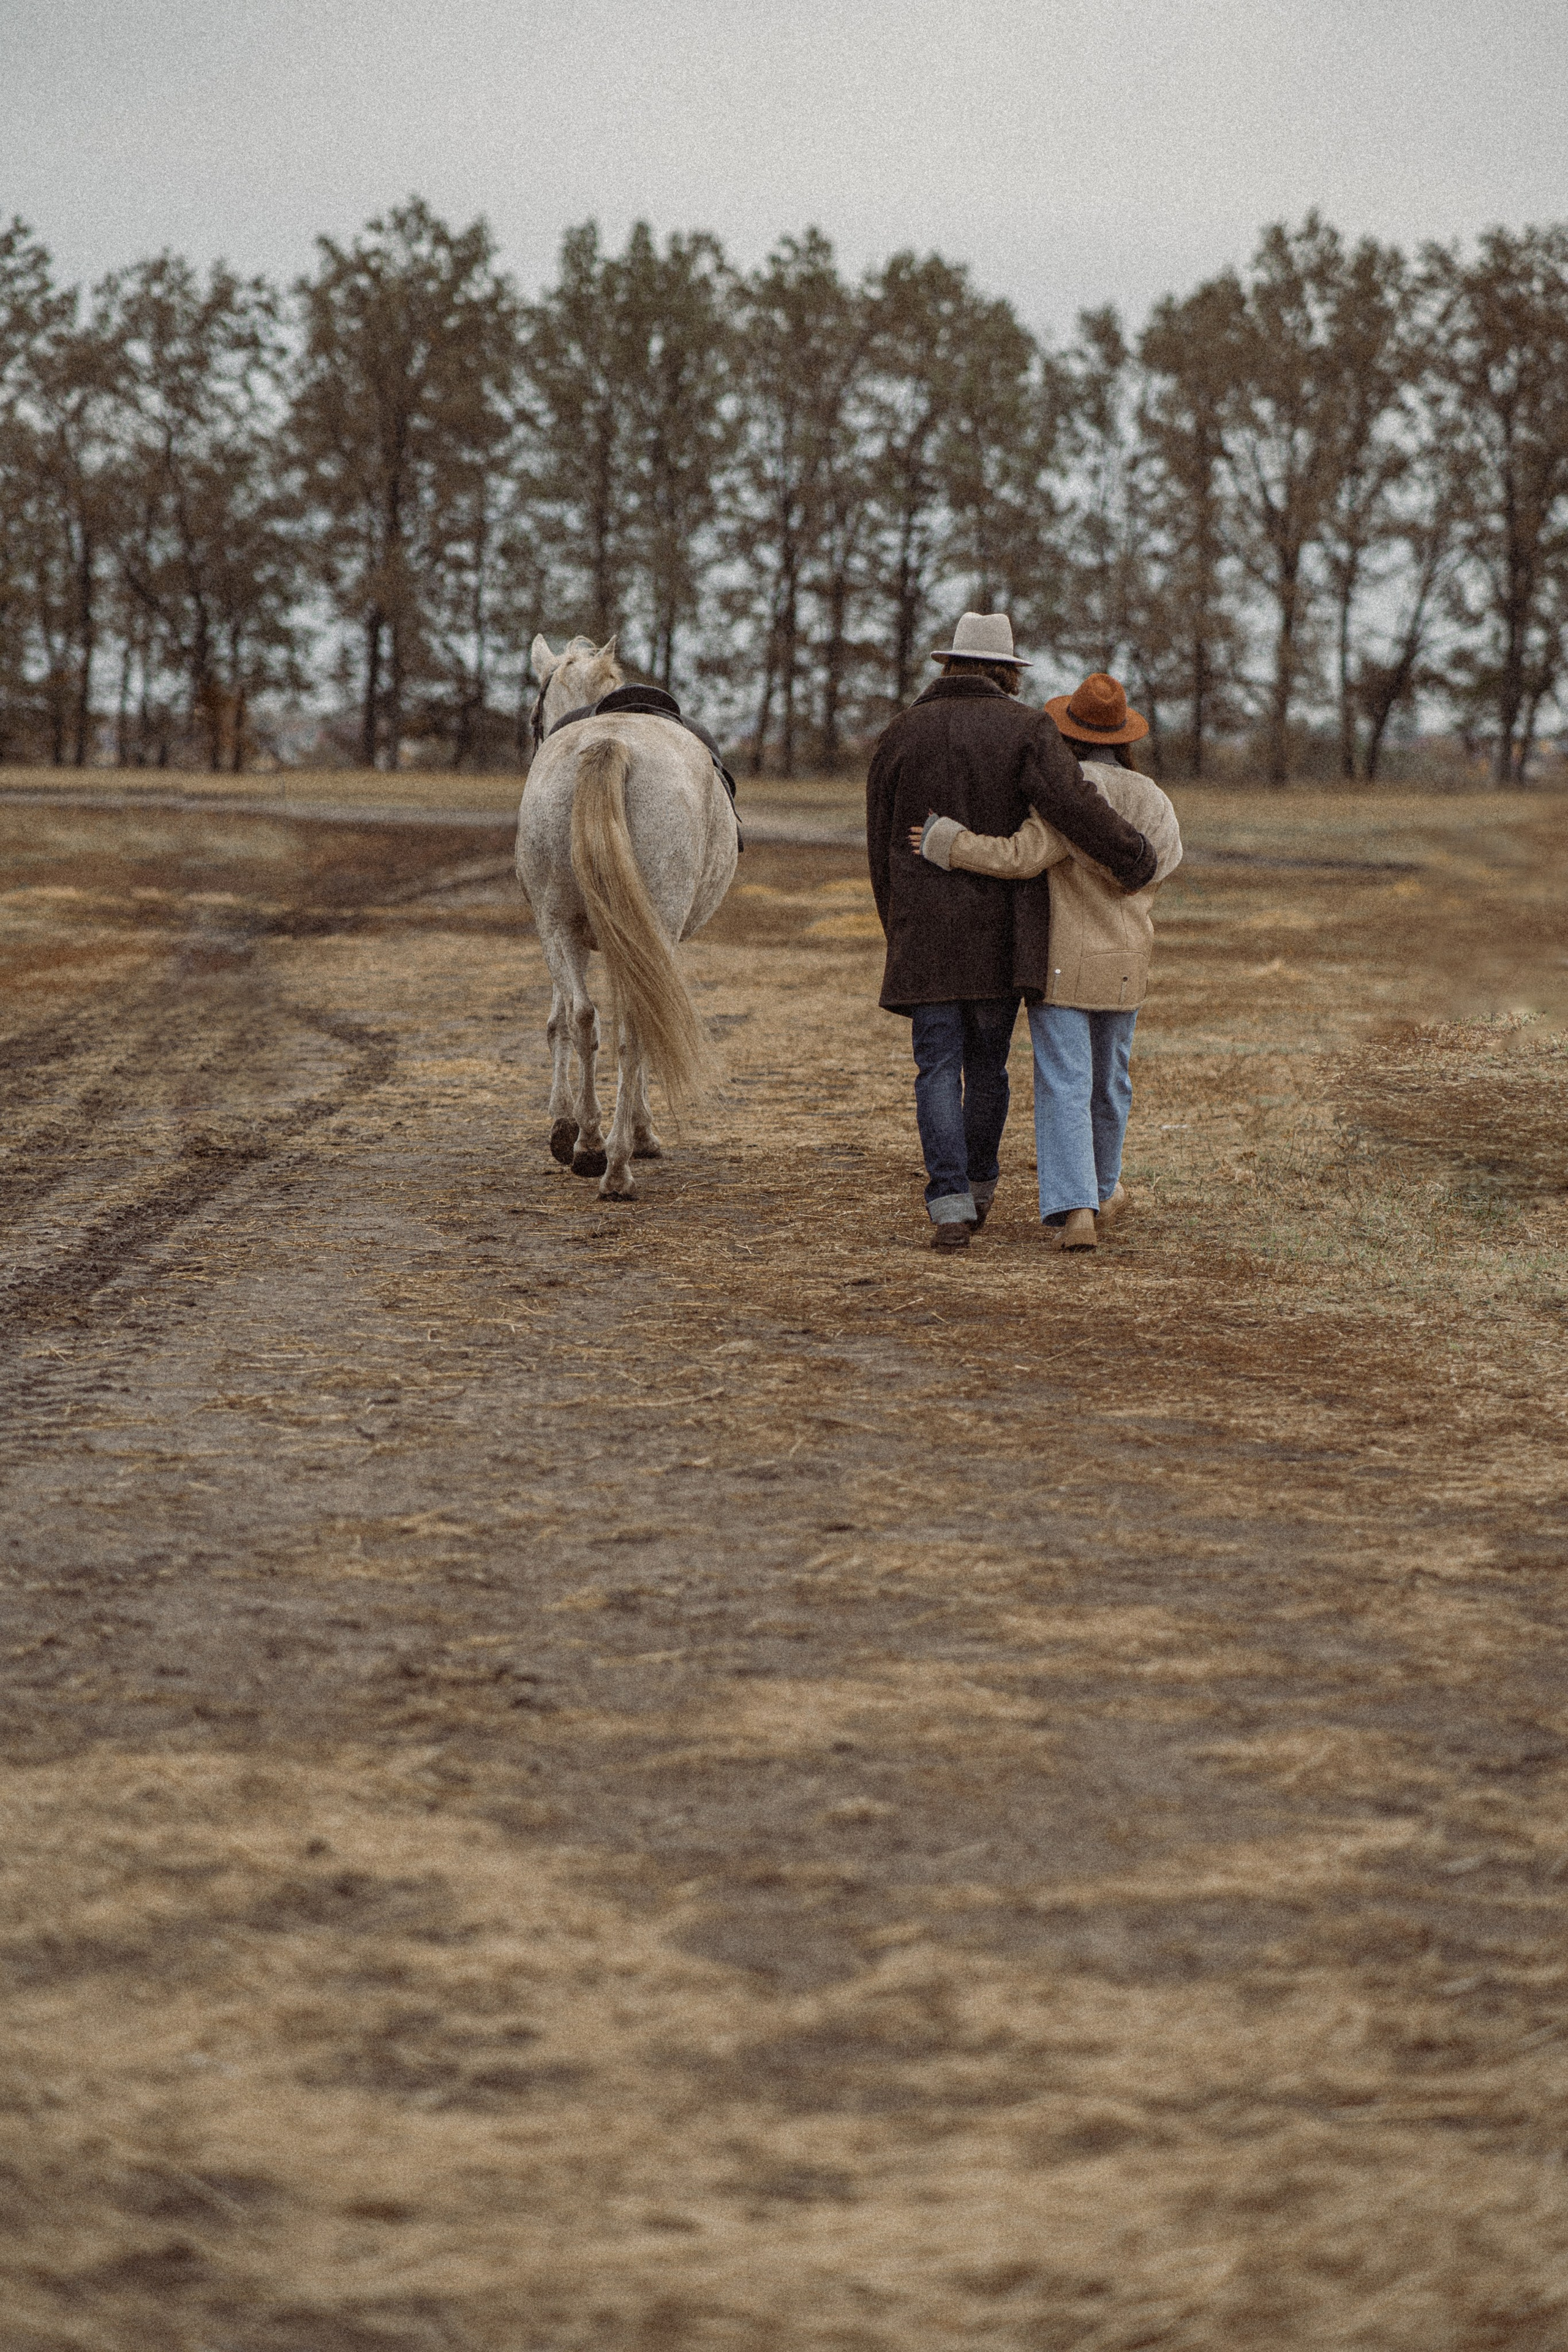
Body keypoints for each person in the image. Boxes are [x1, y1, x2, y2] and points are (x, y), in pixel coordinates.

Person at [866, 617, 1157, 1253]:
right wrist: (1134, 857)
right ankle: (979, 1188)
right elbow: (1073, 805)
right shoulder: (1026, 730)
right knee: (987, 1066)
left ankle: (948, 1206)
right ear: (1007, 672)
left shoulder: (898, 735)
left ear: (948, 664)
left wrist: (899, 928)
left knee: (935, 1066)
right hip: (1000, 938)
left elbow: (880, 844)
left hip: (923, 934)